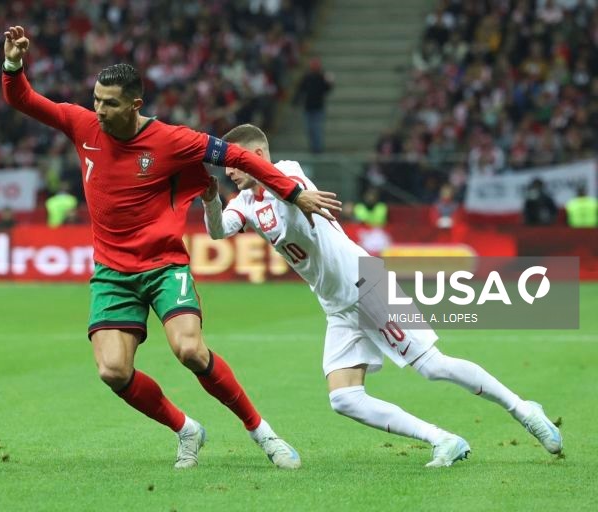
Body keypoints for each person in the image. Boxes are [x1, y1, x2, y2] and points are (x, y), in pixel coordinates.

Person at [1, 26, 342, 469]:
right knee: (113, 372)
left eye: (110, 103)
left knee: (190, 351)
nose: (99, 110)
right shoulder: (82, 124)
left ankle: (262, 432)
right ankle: (186, 429)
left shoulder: (171, 140)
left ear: (135, 105)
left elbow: (239, 157)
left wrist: (294, 193)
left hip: (164, 267)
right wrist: (13, 64)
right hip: (112, 273)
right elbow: (23, 99)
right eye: (96, 100)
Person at [201, 124, 562, 467]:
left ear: (258, 153)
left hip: (365, 283)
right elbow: (218, 232)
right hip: (338, 306)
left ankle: (525, 410)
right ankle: (443, 440)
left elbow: (291, 189)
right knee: (344, 398)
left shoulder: (289, 171)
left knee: (433, 366)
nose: (230, 170)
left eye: (235, 161)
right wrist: (210, 198)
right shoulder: (245, 201)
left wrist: (294, 194)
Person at [292, 57, 333, 153]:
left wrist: (329, 82)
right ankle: (314, 148)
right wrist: (295, 101)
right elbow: (301, 90)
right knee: (310, 129)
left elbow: (327, 89)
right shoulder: (307, 77)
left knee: (317, 129)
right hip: (309, 107)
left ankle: (317, 149)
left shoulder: (322, 77)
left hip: (318, 107)